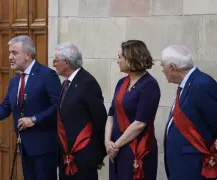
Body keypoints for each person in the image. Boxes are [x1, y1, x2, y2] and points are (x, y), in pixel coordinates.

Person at [0, 35, 61, 180]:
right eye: (10, 53)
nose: (10, 57)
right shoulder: (15, 80)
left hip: (44, 148)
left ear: (28, 55)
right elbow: (5, 107)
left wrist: (35, 119)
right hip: (25, 147)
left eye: (14, 53)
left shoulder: (47, 75)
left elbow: (58, 106)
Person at [105, 40, 160, 180]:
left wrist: (115, 146)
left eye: (120, 57)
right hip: (117, 149)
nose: (118, 61)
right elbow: (111, 114)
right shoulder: (122, 82)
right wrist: (107, 142)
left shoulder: (149, 85)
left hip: (136, 149)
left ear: (131, 58)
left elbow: (140, 123)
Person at [53, 42, 107, 180]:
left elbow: (100, 120)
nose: (53, 64)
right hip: (66, 155)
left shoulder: (87, 83)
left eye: (56, 60)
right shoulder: (66, 83)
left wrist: (98, 154)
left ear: (67, 62)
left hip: (83, 157)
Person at [162, 45, 217, 180]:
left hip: (194, 166)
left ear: (173, 68)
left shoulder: (202, 84)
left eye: (163, 66)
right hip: (182, 165)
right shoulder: (188, 84)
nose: (162, 70)